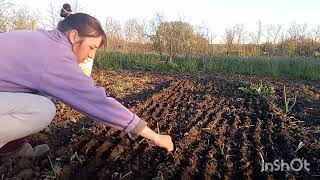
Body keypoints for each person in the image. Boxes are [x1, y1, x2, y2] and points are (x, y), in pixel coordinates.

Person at [0, 4, 174, 158]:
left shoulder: (44, 39)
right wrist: (156, 137)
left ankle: (10, 147)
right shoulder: (55, 55)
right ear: (74, 36)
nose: (92, 55)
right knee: (42, 109)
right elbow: (97, 102)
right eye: (92, 47)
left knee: (40, 95)